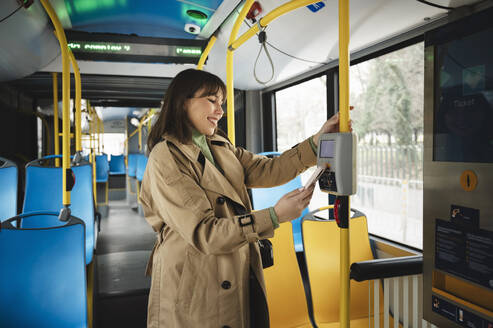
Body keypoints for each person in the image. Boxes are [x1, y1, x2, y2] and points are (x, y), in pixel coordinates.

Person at [139, 68, 343, 328]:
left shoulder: (218, 145)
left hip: (234, 265)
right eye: (212, 101)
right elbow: (206, 232)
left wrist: (317, 142)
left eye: (221, 103)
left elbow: (270, 170)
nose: (220, 111)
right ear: (182, 101)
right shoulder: (166, 157)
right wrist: (275, 216)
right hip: (193, 281)